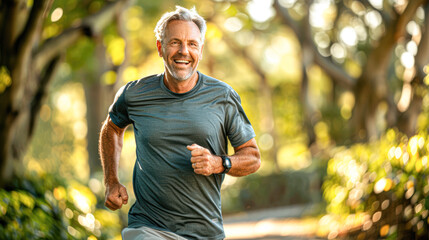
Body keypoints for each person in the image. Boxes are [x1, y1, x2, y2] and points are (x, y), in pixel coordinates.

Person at [99, 6, 261, 240]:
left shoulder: (222, 96)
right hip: (148, 226)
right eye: (175, 42)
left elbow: (253, 157)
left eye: (192, 44)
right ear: (160, 47)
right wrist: (111, 181)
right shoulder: (135, 94)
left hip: (205, 231)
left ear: (201, 50)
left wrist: (218, 163)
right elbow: (112, 128)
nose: (184, 51)